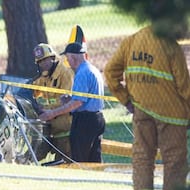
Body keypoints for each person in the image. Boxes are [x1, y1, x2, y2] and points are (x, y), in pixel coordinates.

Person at [104, 25, 190, 190]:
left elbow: (109, 71)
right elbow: (184, 86)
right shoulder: (171, 45)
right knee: (174, 162)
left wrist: (126, 100)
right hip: (172, 116)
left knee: (142, 159)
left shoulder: (131, 41)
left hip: (141, 110)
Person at [39, 42, 105, 163]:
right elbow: (86, 98)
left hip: (85, 120)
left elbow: (77, 103)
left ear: (73, 58)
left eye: (68, 58)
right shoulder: (93, 70)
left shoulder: (82, 74)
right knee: (94, 159)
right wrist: (71, 98)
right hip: (98, 118)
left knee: (79, 160)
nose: (67, 62)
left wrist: (52, 113)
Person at [31, 43, 74, 164]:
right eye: (39, 61)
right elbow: (32, 90)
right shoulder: (45, 76)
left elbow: (68, 101)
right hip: (52, 129)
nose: (42, 64)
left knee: (64, 164)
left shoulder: (66, 74)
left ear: (53, 58)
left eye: (45, 60)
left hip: (65, 129)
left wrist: (47, 110)